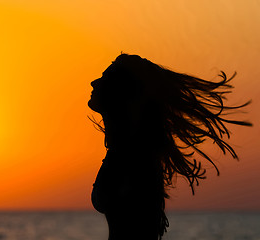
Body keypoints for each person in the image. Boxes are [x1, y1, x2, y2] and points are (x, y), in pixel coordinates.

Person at [88, 54, 252, 240]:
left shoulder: (135, 154)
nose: (94, 82)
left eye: (105, 78)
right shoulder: (127, 148)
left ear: (122, 93)